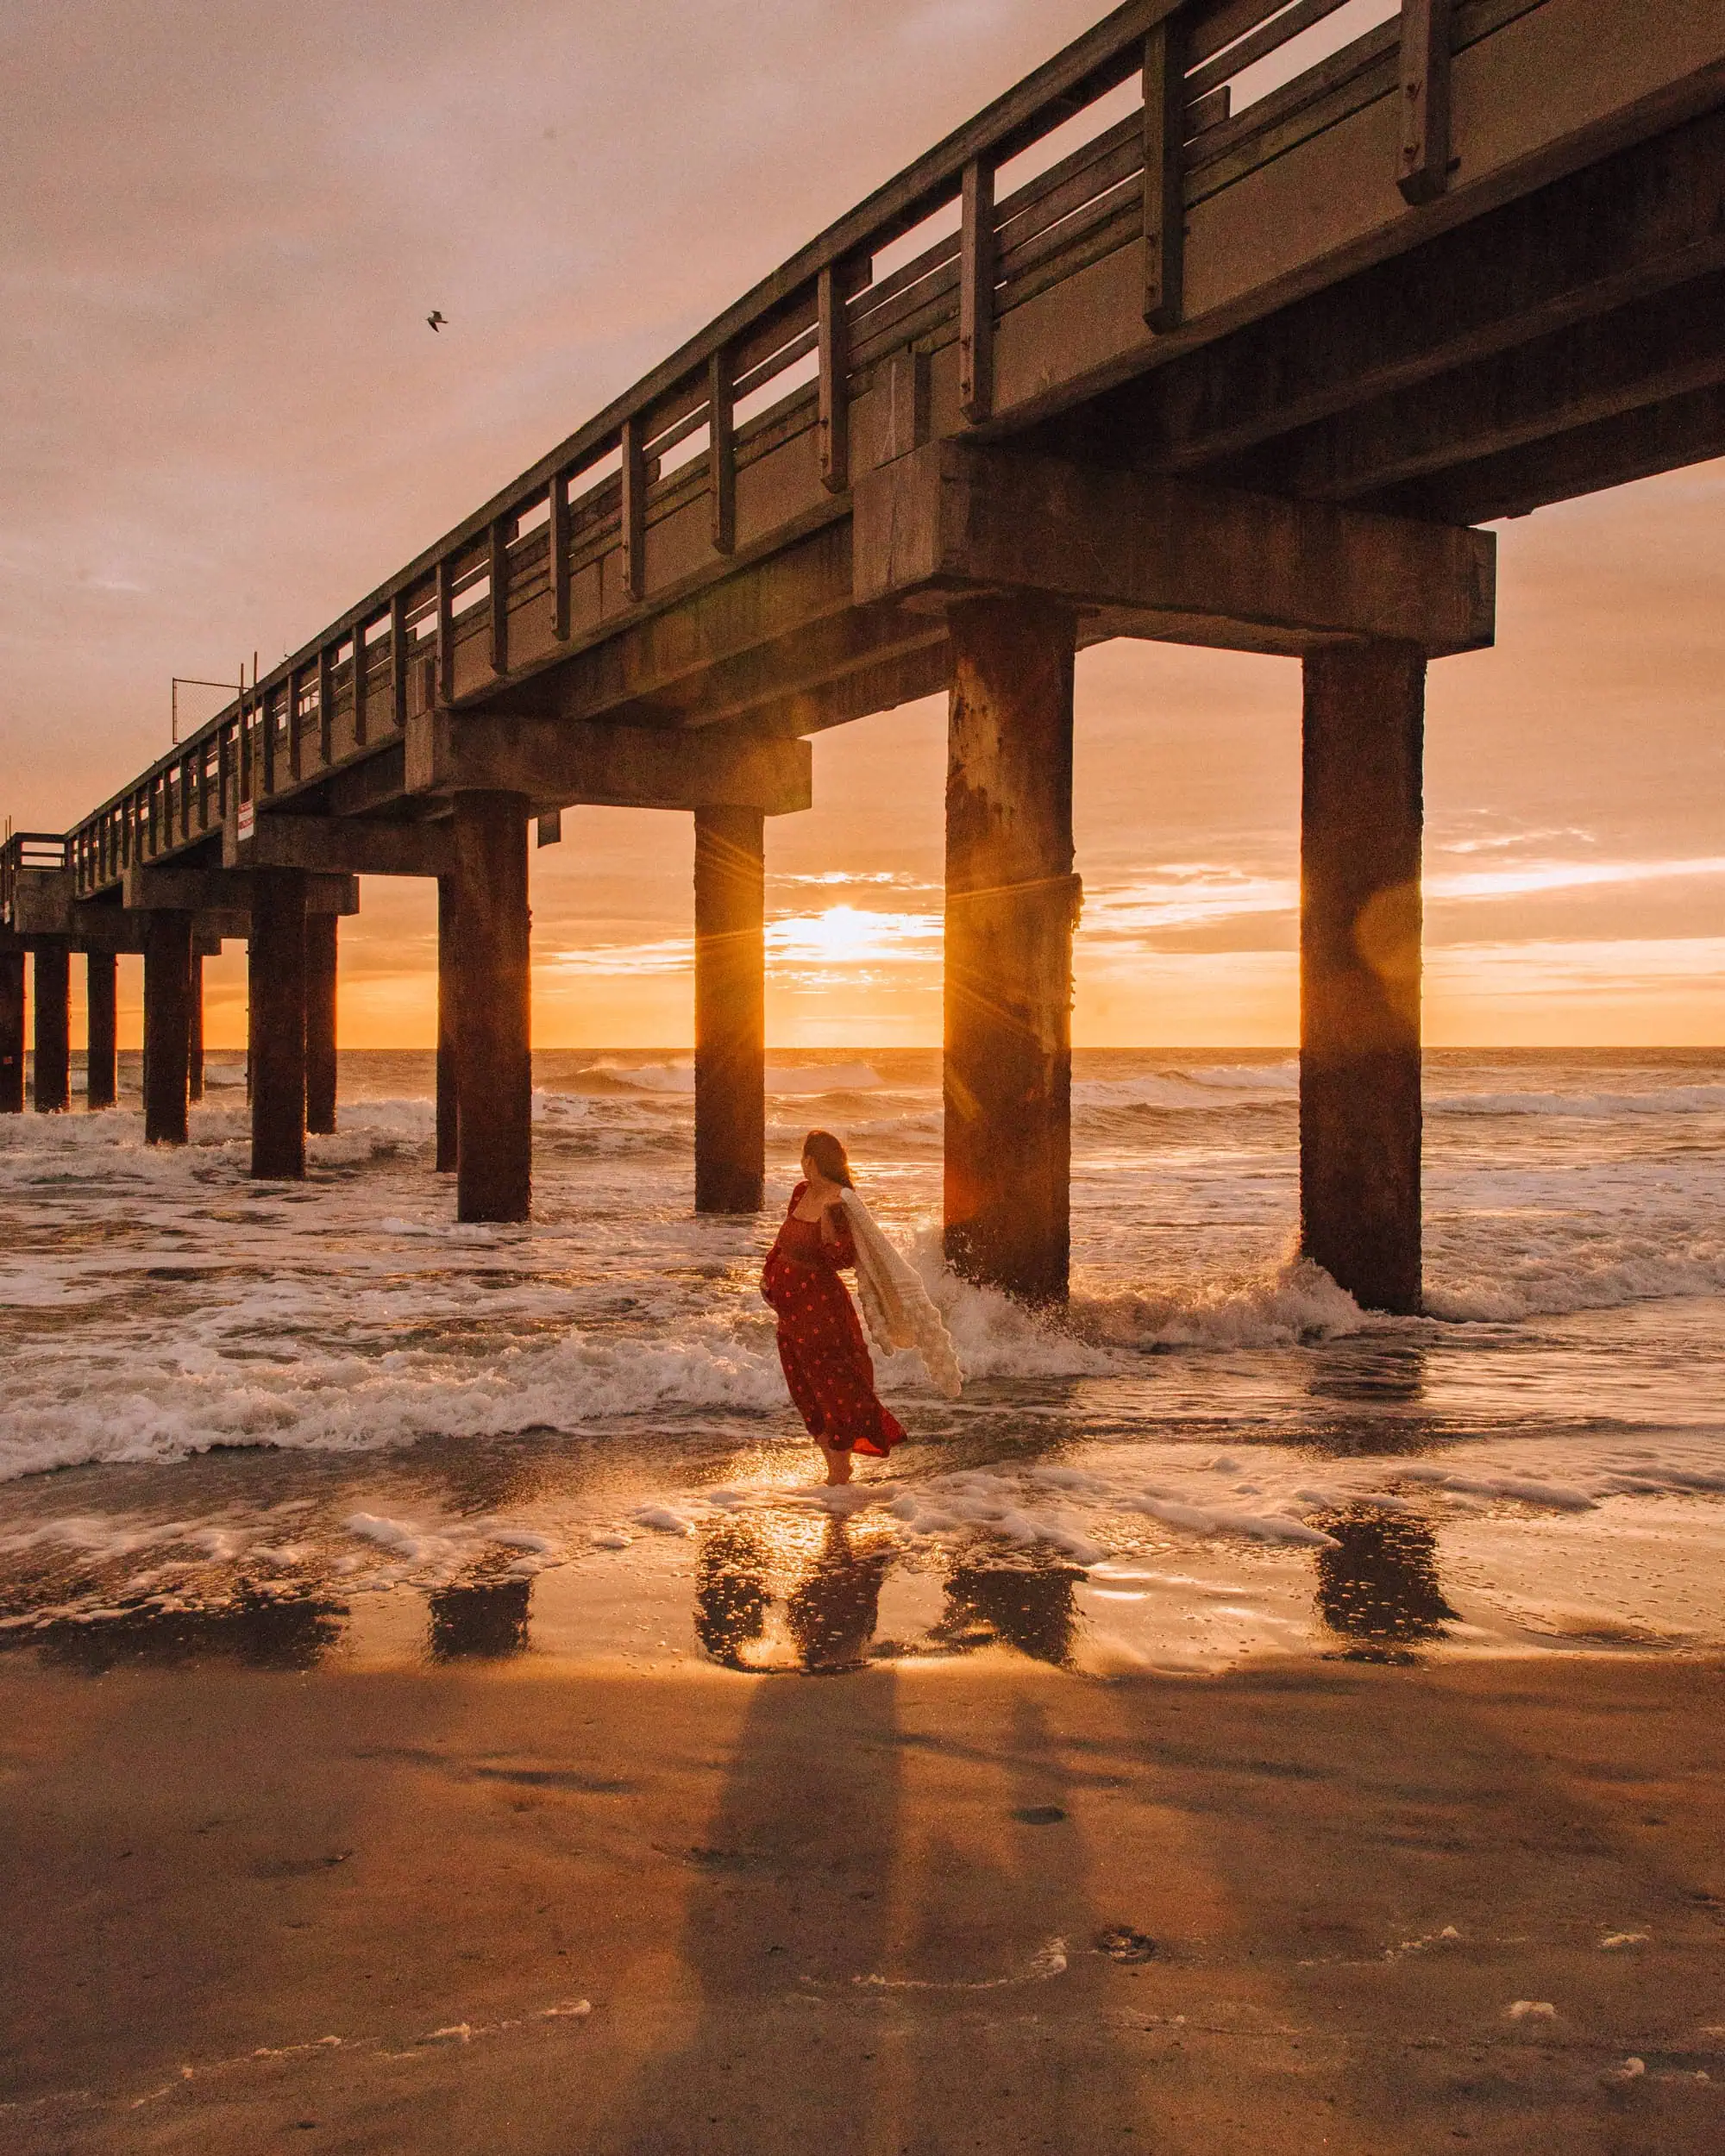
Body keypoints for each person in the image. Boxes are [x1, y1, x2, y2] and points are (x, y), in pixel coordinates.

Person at [761, 1130, 906, 1484]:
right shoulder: (800, 1191)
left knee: (834, 1392)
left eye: (804, 1158)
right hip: (791, 1316)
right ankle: (835, 1471)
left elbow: (841, 1258)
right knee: (804, 1389)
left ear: (812, 1159)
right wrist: (768, 1274)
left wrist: (828, 1218)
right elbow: (784, 1241)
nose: (802, 1165)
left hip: (822, 1313)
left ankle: (839, 1477)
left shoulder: (842, 1201)